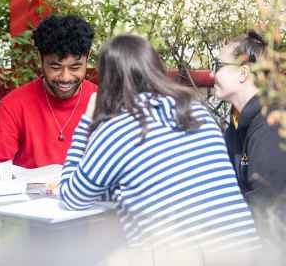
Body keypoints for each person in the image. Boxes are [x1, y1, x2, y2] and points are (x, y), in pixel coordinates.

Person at [59, 34, 261, 261]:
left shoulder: (116, 129)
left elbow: (70, 197)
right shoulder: (195, 111)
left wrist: (86, 122)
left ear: (108, 79)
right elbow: (154, 179)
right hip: (247, 253)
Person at [0, 15, 97, 168]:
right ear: (41, 59)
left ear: (88, 57)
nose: (65, 77)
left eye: (75, 68)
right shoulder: (13, 105)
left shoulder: (106, 103)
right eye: (55, 67)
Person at [215, 30, 285, 260]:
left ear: (243, 73)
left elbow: (272, 219)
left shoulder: (272, 127)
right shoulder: (237, 124)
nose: (210, 73)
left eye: (218, 65)